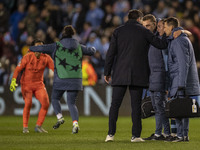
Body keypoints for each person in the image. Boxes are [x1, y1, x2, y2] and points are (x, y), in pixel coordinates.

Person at [104, 9, 169, 142]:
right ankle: (135, 136)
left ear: (128, 18)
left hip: (120, 73)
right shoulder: (144, 31)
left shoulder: (118, 31)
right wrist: (169, 34)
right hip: (138, 74)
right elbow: (161, 44)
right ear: (139, 19)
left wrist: (107, 72)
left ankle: (110, 135)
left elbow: (111, 53)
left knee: (114, 105)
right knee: (136, 106)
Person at [29, 25, 96, 134]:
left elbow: (40, 48)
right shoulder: (79, 46)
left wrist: (31, 48)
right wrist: (93, 48)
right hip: (75, 80)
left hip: (61, 78)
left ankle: (60, 117)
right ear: (72, 34)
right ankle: (75, 123)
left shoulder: (56, 46)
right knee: (71, 103)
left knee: (55, 99)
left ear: (62, 35)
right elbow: (92, 51)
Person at [164, 17, 200, 142]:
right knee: (183, 110)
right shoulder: (180, 39)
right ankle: (184, 135)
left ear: (172, 27)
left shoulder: (179, 42)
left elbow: (183, 64)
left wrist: (181, 84)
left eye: (165, 27)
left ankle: (180, 135)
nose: (164, 29)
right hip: (180, 80)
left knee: (179, 109)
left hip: (179, 81)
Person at [10, 39, 54, 133]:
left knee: (46, 104)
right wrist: (13, 80)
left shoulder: (46, 57)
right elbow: (17, 69)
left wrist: (51, 73)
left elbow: (52, 68)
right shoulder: (27, 57)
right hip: (26, 85)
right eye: (37, 46)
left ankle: (38, 126)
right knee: (28, 103)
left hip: (39, 84)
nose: (39, 49)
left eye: (41, 46)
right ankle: (25, 127)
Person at [142, 15, 171, 140]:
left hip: (159, 77)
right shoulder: (155, 40)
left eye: (161, 26)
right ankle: (164, 132)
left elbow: (166, 63)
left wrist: (166, 83)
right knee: (157, 107)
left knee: (160, 107)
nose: (159, 28)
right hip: (153, 78)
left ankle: (161, 133)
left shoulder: (162, 43)